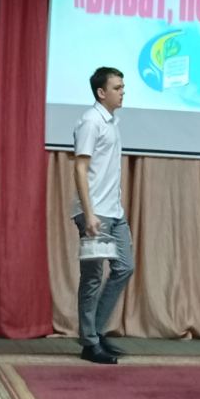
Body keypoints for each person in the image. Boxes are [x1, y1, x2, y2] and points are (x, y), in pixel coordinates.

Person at [71, 66, 134, 365]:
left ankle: (95, 331)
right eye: (117, 88)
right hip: (94, 212)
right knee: (93, 277)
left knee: (125, 267)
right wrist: (89, 213)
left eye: (122, 87)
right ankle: (90, 342)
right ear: (101, 92)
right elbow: (80, 167)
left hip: (114, 211)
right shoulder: (91, 121)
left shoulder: (111, 121)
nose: (123, 92)